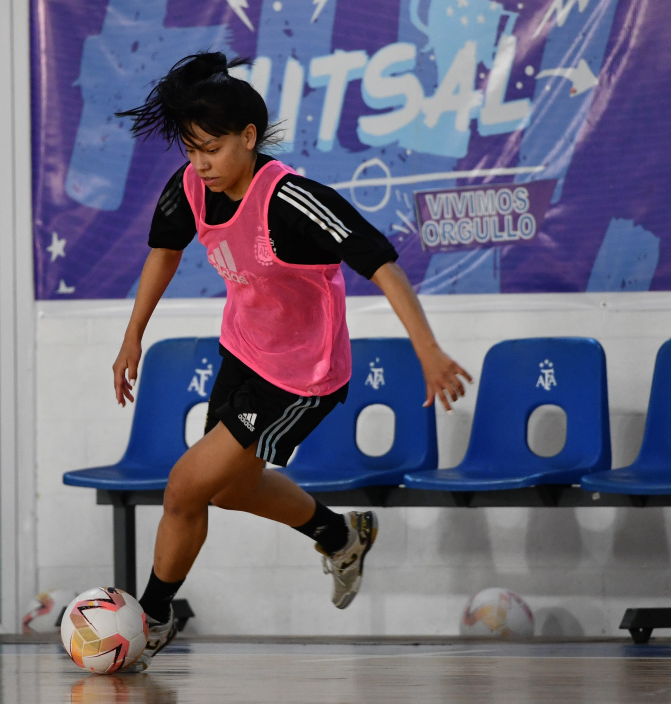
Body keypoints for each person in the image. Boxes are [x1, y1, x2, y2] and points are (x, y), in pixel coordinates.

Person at [112, 51, 472, 669]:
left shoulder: (292, 199)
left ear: (248, 137)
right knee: (224, 492)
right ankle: (338, 535)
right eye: (192, 149)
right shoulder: (192, 186)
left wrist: (428, 349)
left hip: (302, 376)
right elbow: (163, 253)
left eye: (214, 148)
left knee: (185, 486)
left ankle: (151, 617)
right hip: (244, 353)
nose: (201, 163)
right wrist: (131, 336)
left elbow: (379, 262)